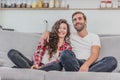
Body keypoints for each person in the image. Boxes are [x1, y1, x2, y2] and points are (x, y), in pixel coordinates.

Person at [41, 11, 117, 72]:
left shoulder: (94, 36)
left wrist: (86, 65)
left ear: (85, 21)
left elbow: (95, 54)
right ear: (73, 23)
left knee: (112, 60)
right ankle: (83, 75)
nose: (77, 21)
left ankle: (79, 76)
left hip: (91, 64)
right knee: (65, 53)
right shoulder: (69, 35)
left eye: (80, 18)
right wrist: (47, 32)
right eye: (75, 20)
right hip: (74, 63)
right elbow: (58, 33)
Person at [7, 19, 72, 71]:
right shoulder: (47, 39)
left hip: (50, 67)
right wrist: (36, 65)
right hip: (36, 65)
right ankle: (33, 71)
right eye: (59, 28)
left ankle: (31, 71)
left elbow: (60, 62)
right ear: (56, 29)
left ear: (67, 31)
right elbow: (38, 53)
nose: (61, 30)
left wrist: (41, 67)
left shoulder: (68, 47)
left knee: (57, 65)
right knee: (11, 52)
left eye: (64, 28)